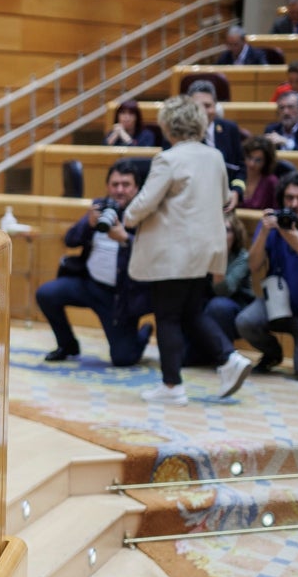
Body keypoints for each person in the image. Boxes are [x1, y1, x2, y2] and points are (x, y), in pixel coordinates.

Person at [122, 95, 252, 406]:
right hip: (206, 248)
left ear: (169, 125)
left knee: (167, 316)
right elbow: (223, 199)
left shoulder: (169, 159)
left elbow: (145, 202)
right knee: (192, 312)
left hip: (173, 251)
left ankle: (172, 385)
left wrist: (127, 217)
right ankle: (229, 359)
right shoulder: (215, 156)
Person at [35, 159, 153, 367]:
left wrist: (126, 239)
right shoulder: (99, 207)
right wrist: (88, 225)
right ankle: (68, 345)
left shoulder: (144, 215)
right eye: (115, 184)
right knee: (46, 294)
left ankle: (142, 333)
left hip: (120, 297)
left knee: (123, 359)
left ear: (136, 188)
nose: (119, 190)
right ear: (108, 186)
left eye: (126, 185)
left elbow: (154, 254)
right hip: (89, 285)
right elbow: (70, 240)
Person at [235, 172, 298, 381]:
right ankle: (273, 354)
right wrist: (263, 233)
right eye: (289, 198)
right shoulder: (272, 224)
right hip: (277, 307)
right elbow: (254, 266)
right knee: (245, 321)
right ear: (281, 200)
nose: (294, 204)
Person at [185, 213, 254, 366]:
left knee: (219, 305)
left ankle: (225, 357)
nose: (221, 235)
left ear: (236, 235)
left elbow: (224, 291)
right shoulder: (202, 253)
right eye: (217, 230)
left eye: (227, 230)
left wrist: (218, 259)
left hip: (235, 309)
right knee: (183, 358)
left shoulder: (242, 257)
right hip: (206, 308)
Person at [186, 80, 245, 208]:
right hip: (191, 205)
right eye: (198, 106)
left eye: (208, 106)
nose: (203, 111)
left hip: (225, 204)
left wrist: (236, 191)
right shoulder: (178, 134)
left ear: (216, 107)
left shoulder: (230, 129)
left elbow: (240, 168)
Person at [240, 136, 280, 211]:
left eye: (258, 160)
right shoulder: (236, 177)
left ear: (266, 162)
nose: (252, 164)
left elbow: (276, 212)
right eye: (249, 157)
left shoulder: (272, 182)